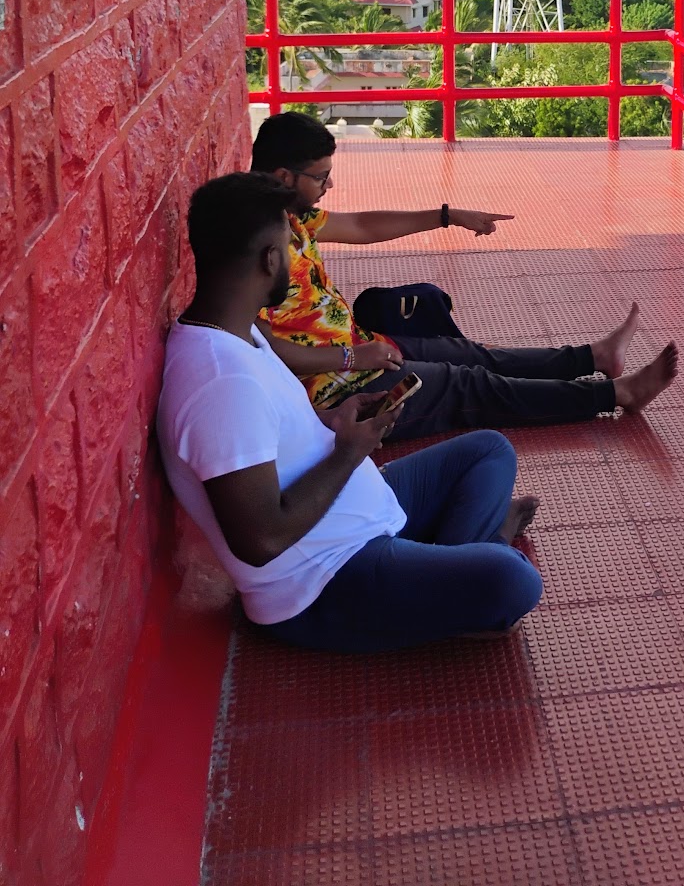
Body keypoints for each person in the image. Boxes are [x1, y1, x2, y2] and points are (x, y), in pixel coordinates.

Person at [157, 172, 545, 651]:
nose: (295, 261)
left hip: (354, 512)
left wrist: (334, 424)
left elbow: (268, 439)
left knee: (490, 451)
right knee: (515, 581)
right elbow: (260, 541)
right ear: (270, 259)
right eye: (290, 248)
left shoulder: (235, 330)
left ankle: (452, 563)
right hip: (325, 577)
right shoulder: (220, 382)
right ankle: (471, 557)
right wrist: (350, 452)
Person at [249, 111, 678, 435]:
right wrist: (352, 357)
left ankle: (594, 358)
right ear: (284, 175)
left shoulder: (292, 213)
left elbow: (362, 225)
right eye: (321, 178)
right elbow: (263, 347)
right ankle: (619, 393)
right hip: (339, 388)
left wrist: (448, 216)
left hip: (361, 348)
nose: (328, 187)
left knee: (470, 354)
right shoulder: (251, 244)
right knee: (470, 384)